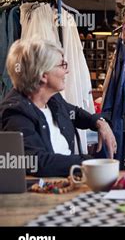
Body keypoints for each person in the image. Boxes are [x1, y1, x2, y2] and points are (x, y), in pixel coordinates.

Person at [0, 39, 117, 177]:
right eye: (62, 65)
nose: (67, 70)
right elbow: (37, 161)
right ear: (43, 75)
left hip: (70, 181)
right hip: (45, 191)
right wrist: (88, 163)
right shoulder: (16, 112)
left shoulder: (52, 99)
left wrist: (100, 123)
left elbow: (75, 113)